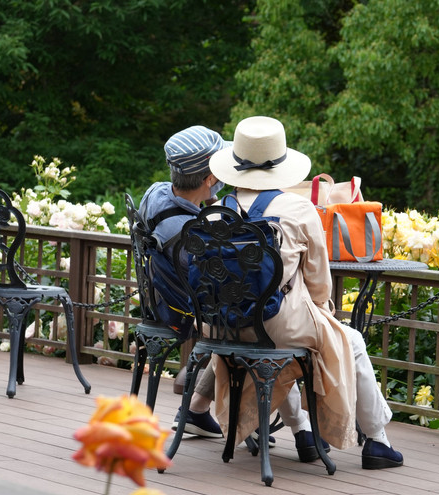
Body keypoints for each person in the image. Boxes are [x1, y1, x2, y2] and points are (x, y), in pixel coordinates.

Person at [207, 115, 403, 469]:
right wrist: (323, 318)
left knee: (281, 346)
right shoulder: (298, 209)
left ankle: (302, 432)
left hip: (222, 327)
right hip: (278, 323)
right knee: (348, 341)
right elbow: (319, 284)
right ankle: (377, 441)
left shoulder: (215, 213)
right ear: (280, 163)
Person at [138, 125, 325, 462]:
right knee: (263, 325)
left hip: (166, 303)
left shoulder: (158, 195)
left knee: (251, 325)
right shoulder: (189, 230)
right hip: (189, 312)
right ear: (211, 176)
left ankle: (198, 409)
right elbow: (220, 287)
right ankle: (298, 431)